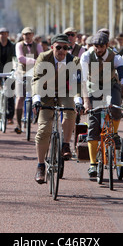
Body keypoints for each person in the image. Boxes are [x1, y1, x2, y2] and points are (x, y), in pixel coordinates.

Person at [32, 34, 81, 183]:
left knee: (70, 110)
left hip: (65, 91)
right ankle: (40, 165)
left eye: (65, 48)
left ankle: (65, 144)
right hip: (45, 92)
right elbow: (37, 80)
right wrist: (37, 99)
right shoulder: (43, 58)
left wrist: (78, 99)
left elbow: (76, 84)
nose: (61, 51)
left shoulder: (74, 60)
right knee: (44, 128)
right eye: (58, 47)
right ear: (52, 47)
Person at [80, 31, 123, 178]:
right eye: (96, 46)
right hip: (92, 87)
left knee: (116, 109)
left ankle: (114, 134)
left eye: (101, 46)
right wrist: (86, 102)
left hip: (111, 85)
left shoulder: (116, 58)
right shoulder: (86, 56)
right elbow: (83, 81)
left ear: (107, 45)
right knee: (93, 124)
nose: (98, 49)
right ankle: (93, 165)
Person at [14, 27, 43, 134]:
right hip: (21, 74)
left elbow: (42, 57)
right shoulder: (19, 45)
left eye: (29, 34)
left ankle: (38, 118)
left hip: (35, 74)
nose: (27, 36)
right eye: (25, 34)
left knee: (38, 95)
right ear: (22, 35)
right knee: (20, 98)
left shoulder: (38, 46)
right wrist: (35, 61)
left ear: (33, 35)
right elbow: (20, 58)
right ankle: (18, 123)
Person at [0, 27, 16, 125]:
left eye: (5, 33)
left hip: (9, 70)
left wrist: (15, 69)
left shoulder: (12, 46)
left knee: (10, 93)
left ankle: (10, 117)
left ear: (8, 34)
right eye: (1, 33)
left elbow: (15, 59)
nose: (3, 35)